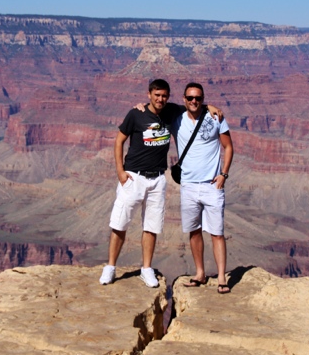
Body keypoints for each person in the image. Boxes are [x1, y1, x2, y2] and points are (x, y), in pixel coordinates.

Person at [99, 79, 178, 287]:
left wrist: (211, 107)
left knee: (151, 226)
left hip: (158, 178)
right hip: (134, 177)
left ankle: (146, 269)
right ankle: (110, 267)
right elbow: (119, 141)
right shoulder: (136, 114)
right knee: (119, 224)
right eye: (157, 95)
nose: (160, 99)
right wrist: (120, 172)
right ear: (149, 94)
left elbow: (195, 105)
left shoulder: (170, 112)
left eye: (164, 95)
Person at [172, 82, 234, 294]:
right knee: (194, 231)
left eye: (198, 98)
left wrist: (223, 174)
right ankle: (200, 273)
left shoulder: (215, 117)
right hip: (188, 186)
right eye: (190, 98)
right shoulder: (176, 119)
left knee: (217, 233)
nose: (194, 101)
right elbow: (156, 105)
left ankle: (222, 277)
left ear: (203, 99)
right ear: (184, 99)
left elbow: (228, 146)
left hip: (211, 185)